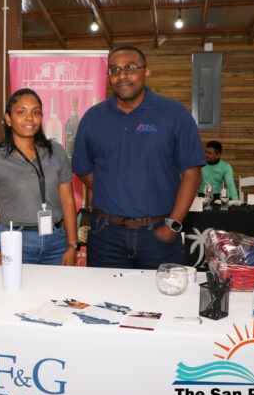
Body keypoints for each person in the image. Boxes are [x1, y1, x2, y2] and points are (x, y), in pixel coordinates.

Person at [72, 45, 205, 269]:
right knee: (103, 293)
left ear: (147, 72)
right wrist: (114, 188)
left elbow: (192, 174)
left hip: (159, 235)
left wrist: (172, 227)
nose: (122, 75)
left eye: (130, 68)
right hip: (105, 237)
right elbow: (83, 170)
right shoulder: (93, 118)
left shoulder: (175, 114)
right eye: (114, 70)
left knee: (163, 294)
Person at [0, 88, 77, 266]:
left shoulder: (56, 152)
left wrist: (72, 245)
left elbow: (68, 200)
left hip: (56, 243)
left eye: (35, 112)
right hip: (13, 241)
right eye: (21, 112)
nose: (29, 118)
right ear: (8, 119)